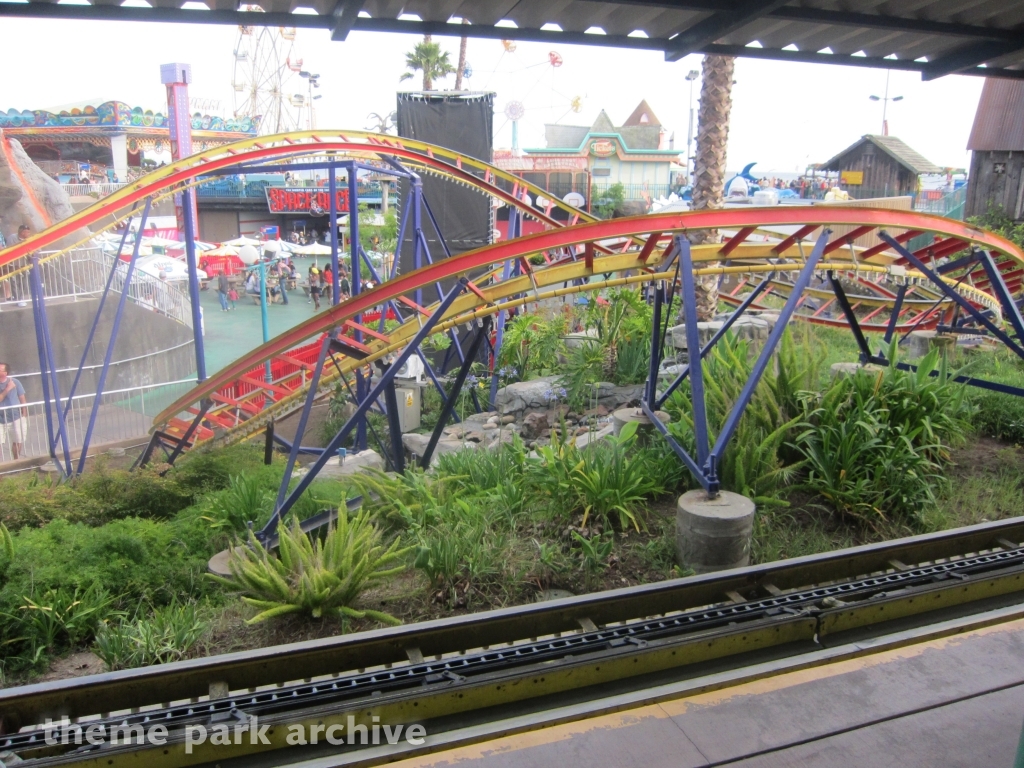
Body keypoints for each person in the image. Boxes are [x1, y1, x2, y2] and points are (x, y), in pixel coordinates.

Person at [0, 362, 28, 459]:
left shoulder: (15, 382)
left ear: (6, 372)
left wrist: (24, 413)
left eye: (1, 370)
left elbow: (22, 397)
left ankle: (16, 461)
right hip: (0, 419)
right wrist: (8, 389)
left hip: (16, 417)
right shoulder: (10, 385)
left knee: (18, 440)